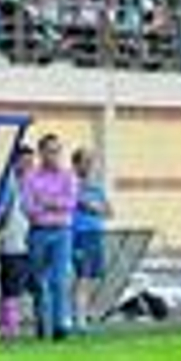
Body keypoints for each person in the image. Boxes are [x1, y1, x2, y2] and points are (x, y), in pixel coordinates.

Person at [21, 133, 78, 340]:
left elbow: (70, 204)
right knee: (39, 281)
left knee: (59, 280)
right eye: (50, 151)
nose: (54, 155)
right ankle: (42, 324)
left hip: (62, 232)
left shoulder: (69, 176)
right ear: (42, 153)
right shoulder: (31, 177)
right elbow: (28, 207)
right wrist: (54, 202)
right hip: (38, 233)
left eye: (57, 151)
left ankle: (59, 325)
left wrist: (45, 202)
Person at [0, 144, 34, 339]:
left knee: (17, 286)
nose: (28, 165)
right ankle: (9, 327)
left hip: (26, 241)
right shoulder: (8, 183)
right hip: (11, 241)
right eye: (25, 161)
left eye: (30, 161)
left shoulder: (29, 182)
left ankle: (11, 324)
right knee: (10, 286)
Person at [72, 147, 113, 328]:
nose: (89, 166)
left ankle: (84, 313)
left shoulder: (96, 187)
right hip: (79, 235)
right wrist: (90, 206)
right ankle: (77, 318)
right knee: (80, 277)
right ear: (76, 164)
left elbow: (108, 211)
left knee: (91, 278)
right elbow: (82, 204)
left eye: (91, 162)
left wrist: (95, 207)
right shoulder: (71, 185)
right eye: (85, 161)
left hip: (95, 234)